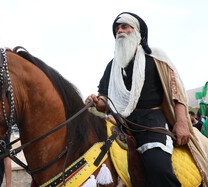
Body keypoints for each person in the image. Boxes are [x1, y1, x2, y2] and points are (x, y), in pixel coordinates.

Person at [86, 12, 208, 186]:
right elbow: (106, 99)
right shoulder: (112, 66)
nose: (120, 30)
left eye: (125, 26)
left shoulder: (157, 58)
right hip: (118, 122)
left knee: (157, 167)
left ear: (138, 31)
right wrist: (98, 102)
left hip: (151, 121)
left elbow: (176, 93)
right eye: (117, 28)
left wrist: (181, 123)